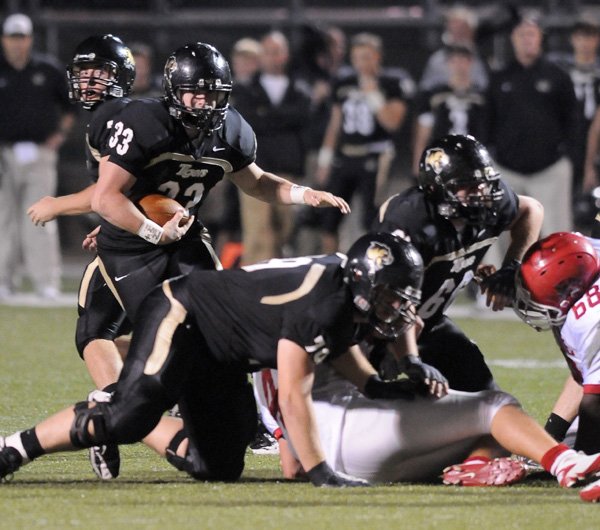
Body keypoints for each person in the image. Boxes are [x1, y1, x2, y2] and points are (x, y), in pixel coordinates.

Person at [0, 232, 449, 487]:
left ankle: (119, 406)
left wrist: (378, 387)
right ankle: (15, 448)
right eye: (391, 299)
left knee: (215, 468)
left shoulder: (346, 294)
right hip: (183, 313)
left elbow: (340, 341)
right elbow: (293, 394)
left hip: (223, 350)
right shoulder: (323, 300)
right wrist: (321, 473)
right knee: (127, 415)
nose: (398, 311)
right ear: (364, 285)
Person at [26, 34, 137, 480]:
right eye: (84, 73)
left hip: (141, 244)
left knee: (94, 331)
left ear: (121, 76)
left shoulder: (114, 116)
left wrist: (59, 204)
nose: (90, 82)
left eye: (101, 73)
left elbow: (107, 189)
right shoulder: (129, 114)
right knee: (158, 336)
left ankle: (109, 416)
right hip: (155, 234)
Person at [252, 362, 600, 497]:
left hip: (332, 463)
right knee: (495, 406)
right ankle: (564, 461)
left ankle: (477, 464)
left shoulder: (262, 372)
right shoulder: (318, 319)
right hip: (365, 435)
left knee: (491, 432)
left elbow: (292, 467)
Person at [372, 134, 543, 391]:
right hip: (378, 326)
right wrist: (403, 353)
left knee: (486, 397)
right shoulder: (415, 221)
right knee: (359, 400)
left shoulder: (492, 204)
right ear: (437, 188)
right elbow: (386, 295)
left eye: (484, 184)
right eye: (469, 186)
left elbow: (531, 209)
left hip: (429, 322)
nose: (482, 194)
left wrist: (512, 266)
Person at [513, 231, 600, 501]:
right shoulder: (588, 253)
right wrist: (549, 444)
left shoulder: (586, 321)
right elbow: (584, 379)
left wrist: (580, 460)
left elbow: (594, 403)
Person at [0, 13, 76, 299]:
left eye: (22, 37)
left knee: (41, 216)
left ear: (29, 39)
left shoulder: (48, 69)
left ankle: (46, 280)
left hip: (40, 152)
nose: (17, 43)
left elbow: (70, 107)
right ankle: (3, 280)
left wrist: (59, 136)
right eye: (12, 37)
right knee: (3, 218)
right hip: (3, 154)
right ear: (4, 40)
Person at [486, 15, 577, 239]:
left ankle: (563, 275)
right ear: (513, 39)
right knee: (502, 234)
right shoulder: (499, 77)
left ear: (540, 38)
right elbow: (487, 120)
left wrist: (568, 157)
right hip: (507, 169)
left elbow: (572, 120)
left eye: (532, 34)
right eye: (522, 34)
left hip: (550, 169)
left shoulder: (558, 76)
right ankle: (503, 275)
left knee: (556, 233)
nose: (527, 39)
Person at [317, 32, 409, 254]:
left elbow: (393, 123)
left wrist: (373, 95)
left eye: (367, 56)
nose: (362, 62)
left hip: (375, 157)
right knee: (329, 219)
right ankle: (331, 270)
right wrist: (325, 158)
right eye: (357, 57)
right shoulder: (344, 82)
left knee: (372, 219)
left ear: (377, 57)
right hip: (346, 156)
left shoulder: (391, 83)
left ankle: (372, 268)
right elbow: (335, 123)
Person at [233, 31, 312, 264]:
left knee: (286, 230)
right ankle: (255, 288)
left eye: (277, 52)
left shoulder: (299, 89)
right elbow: (249, 121)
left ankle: (280, 282)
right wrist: (284, 118)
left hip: (288, 169)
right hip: (254, 171)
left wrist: (267, 115)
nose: (272, 57)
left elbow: (303, 120)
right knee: (258, 234)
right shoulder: (246, 89)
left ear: (285, 55)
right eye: (267, 52)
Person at [412, 43, 488, 176]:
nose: (459, 65)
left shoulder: (482, 97)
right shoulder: (433, 96)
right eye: (455, 60)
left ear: (471, 63)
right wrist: (418, 166)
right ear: (448, 64)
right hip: (442, 159)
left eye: (463, 60)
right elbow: (423, 133)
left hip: (474, 159)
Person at [419, 5, 489, 92]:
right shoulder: (437, 60)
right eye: (453, 29)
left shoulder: (483, 58)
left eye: (461, 29)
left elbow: (486, 89)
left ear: (471, 31)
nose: (457, 34)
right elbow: (426, 88)